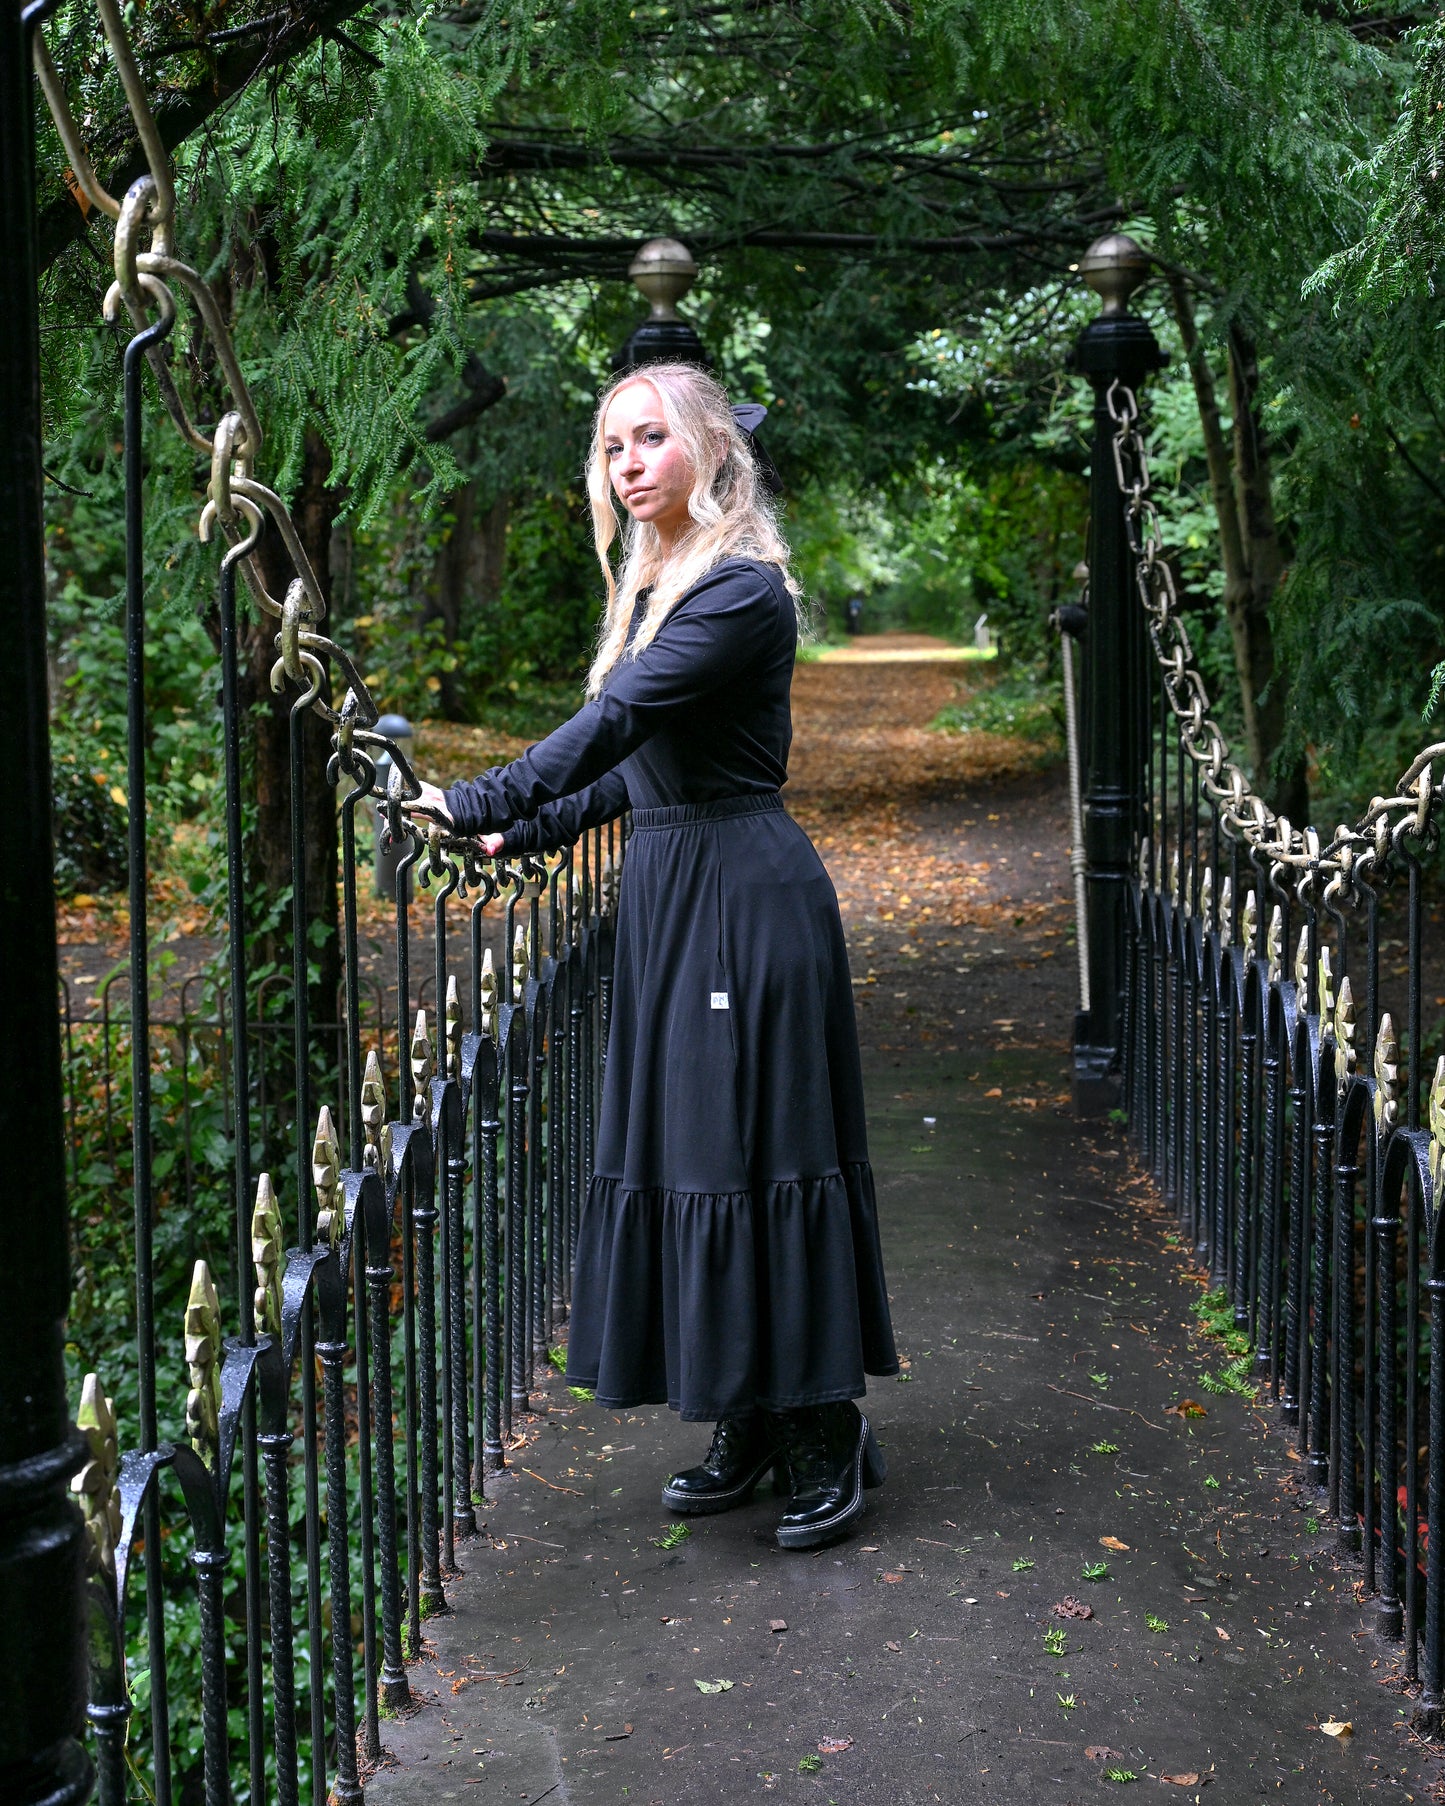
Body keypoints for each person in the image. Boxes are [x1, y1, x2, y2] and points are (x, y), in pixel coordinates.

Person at [407, 362, 898, 1549]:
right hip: (677, 895)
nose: (627, 463)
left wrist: (485, 786)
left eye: (650, 439)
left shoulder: (737, 593)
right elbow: (636, 772)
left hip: (745, 898)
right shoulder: (656, 589)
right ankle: (745, 1411)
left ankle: (824, 1427)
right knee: (694, 1151)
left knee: (765, 1147)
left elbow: (615, 725)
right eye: (611, 445)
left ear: (710, 455)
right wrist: (511, 827)